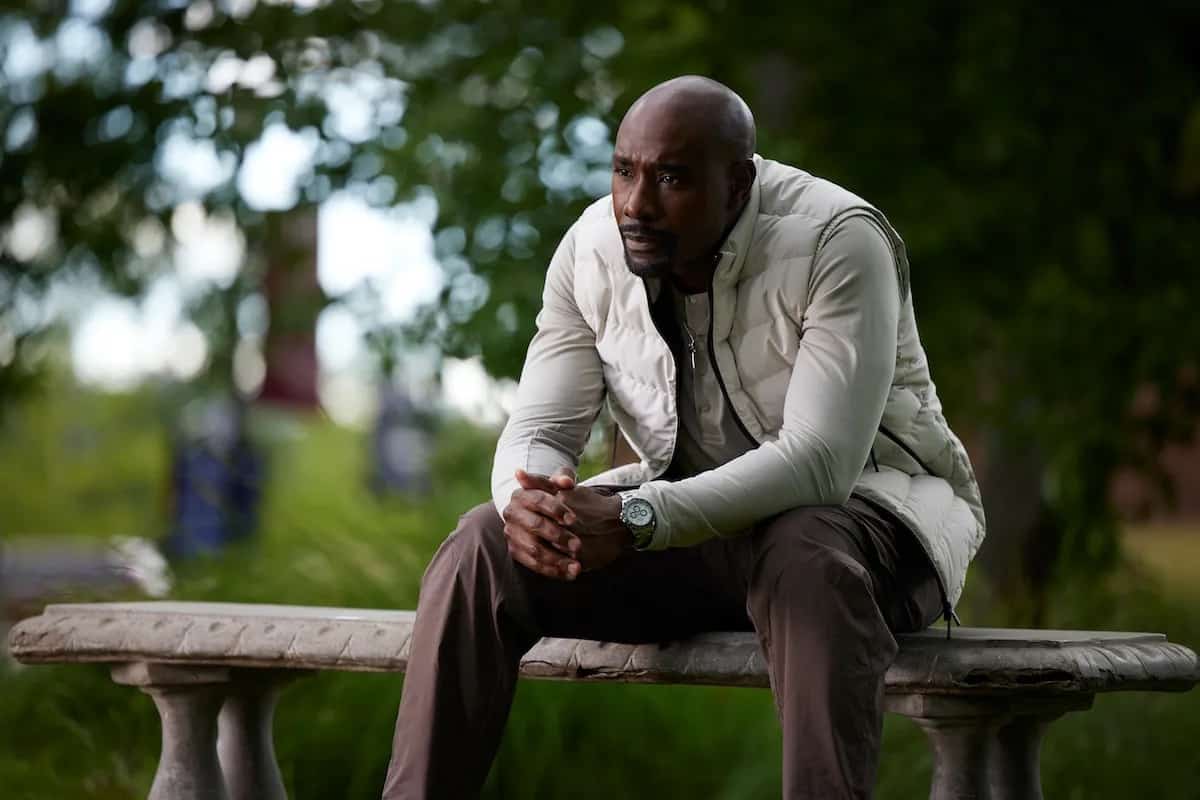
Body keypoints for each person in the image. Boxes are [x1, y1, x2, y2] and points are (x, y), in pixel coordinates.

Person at [382, 75, 985, 800]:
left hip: (868, 526)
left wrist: (640, 517)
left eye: (671, 178)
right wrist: (531, 501)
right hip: (687, 539)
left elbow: (822, 463)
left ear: (738, 184)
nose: (636, 203)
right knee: (483, 544)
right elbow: (541, 428)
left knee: (806, 550)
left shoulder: (838, 239)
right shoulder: (590, 251)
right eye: (624, 170)